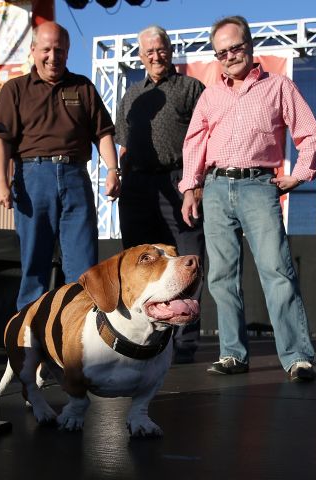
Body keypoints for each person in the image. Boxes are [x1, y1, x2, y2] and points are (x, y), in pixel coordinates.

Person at [179, 15, 316, 382]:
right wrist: (189, 188)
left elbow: (308, 133)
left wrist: (300, 174)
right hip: (214, 188)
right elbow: (195, 141)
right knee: (222, 277)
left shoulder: (278, 87)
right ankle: (232, 354)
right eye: (221, 52)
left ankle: (297, 358)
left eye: (235, 47)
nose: (229, 56)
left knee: (277, 271)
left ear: (250, 46)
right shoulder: (211, 95)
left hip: (259, 185)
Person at [0, 21, 120, 311]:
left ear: (68, 52)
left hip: (76, 177)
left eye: (59, 49)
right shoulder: (16, 89)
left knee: (83, 263)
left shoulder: (83, 87)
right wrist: (0, 182)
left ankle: (79, 333)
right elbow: (0, 140)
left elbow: (104, 133)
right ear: (33, 51)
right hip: (33, 177)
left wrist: (113, 169)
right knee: (35, 261)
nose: (53, 56)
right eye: (46, 49)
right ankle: (29, 338)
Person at [115, 25, 205, 364]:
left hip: (180, 181)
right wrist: (121, 179)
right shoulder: (131, 94)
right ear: (141, 56)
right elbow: (123, 143)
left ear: (170, 49)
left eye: (161, 48)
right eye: (149, 51)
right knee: (138, 263)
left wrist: (194, 184)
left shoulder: (191, 87)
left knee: (189, 260)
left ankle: (184, 344)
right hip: (137, 185)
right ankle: (140, 338)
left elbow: (205, 138)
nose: (156, 55)